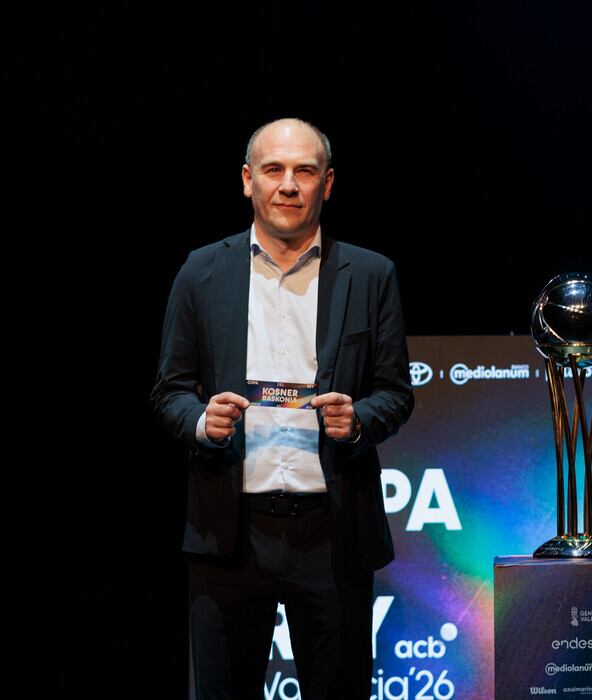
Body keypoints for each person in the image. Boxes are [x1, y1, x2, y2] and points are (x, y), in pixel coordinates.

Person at [151, 118, 414, 699]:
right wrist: (201, 423)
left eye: (305, 171)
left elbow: (396, 393)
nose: (288, 185)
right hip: (229, 533)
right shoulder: (201, 271)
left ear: (328, 183)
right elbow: (169, 392)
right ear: (248, 181)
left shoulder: (371, 275)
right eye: (273, 170)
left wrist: (359, 421)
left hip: (333, 532)